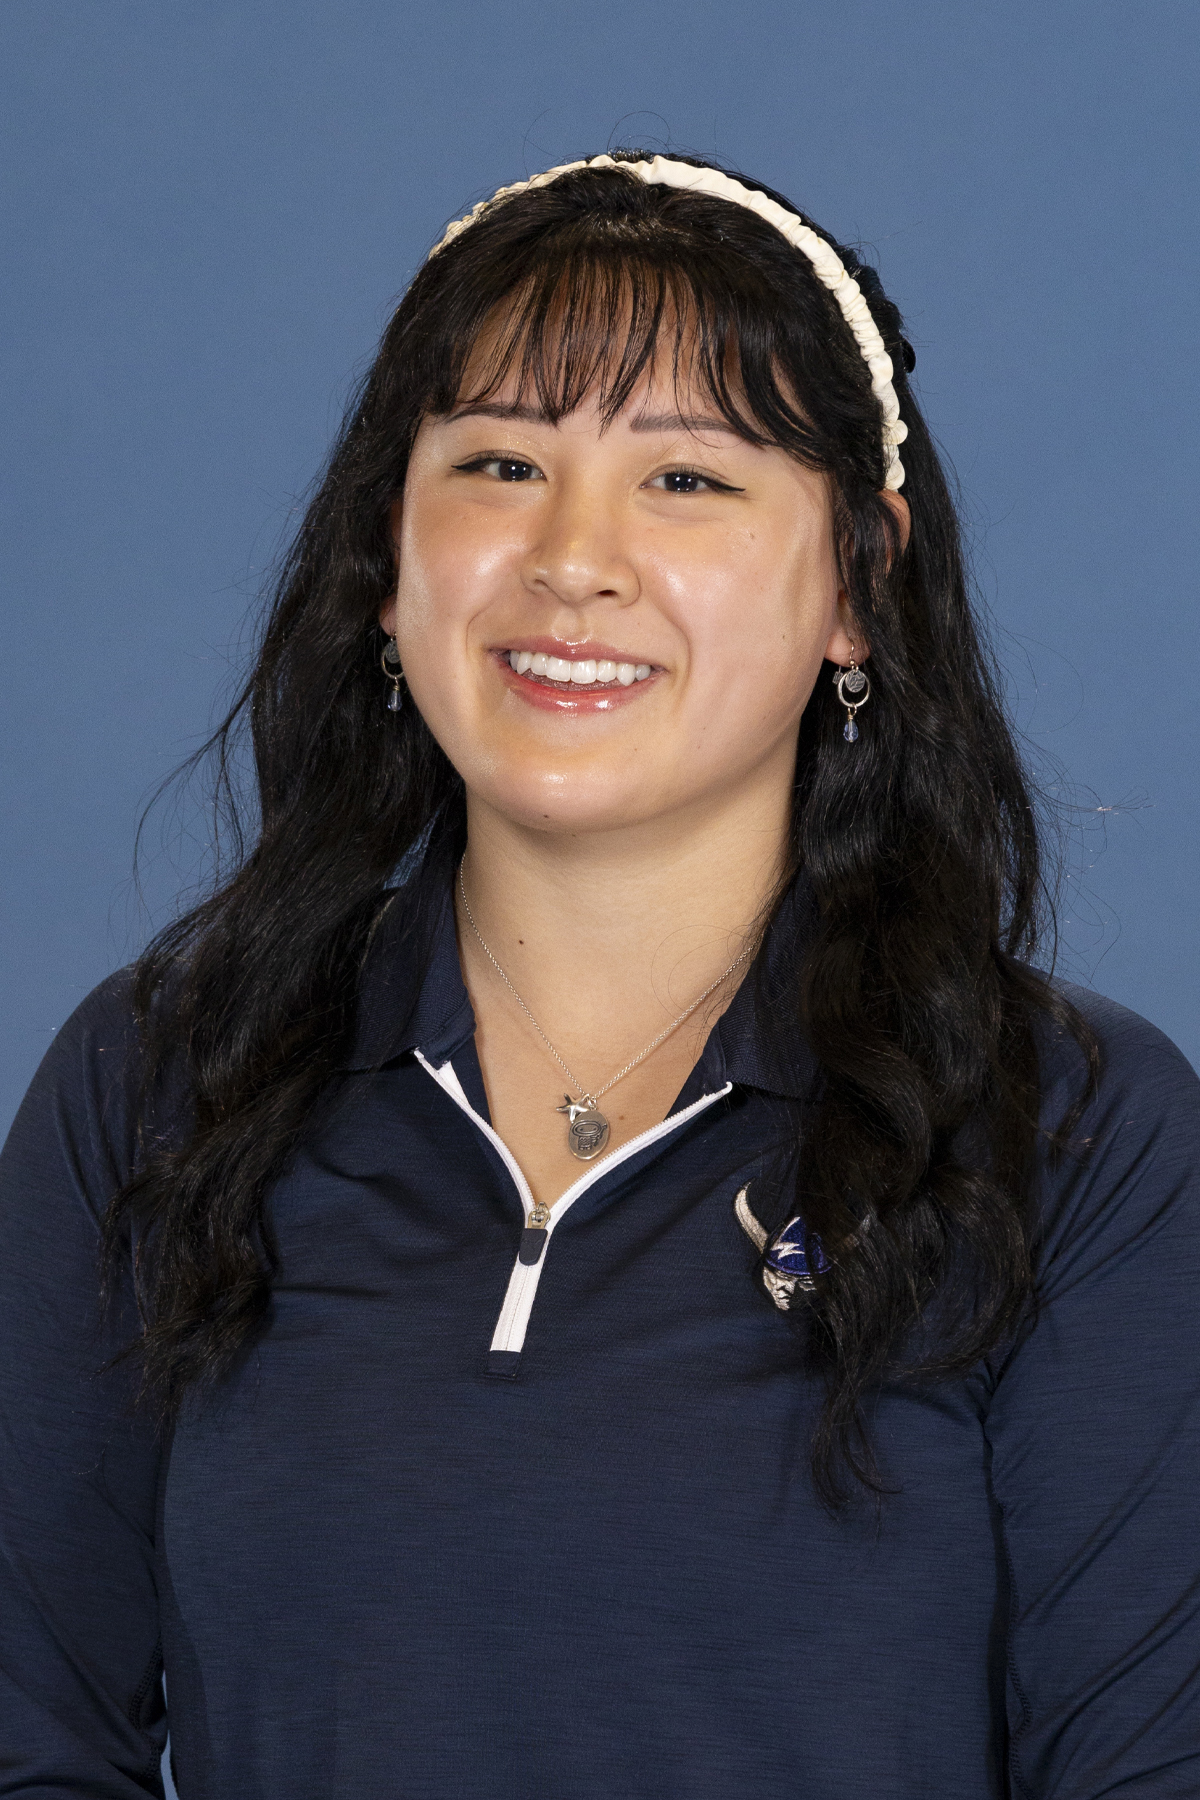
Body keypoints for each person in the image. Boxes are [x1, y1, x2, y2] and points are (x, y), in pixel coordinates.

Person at [1, 150, 1197, 1800]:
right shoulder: (162, 1078)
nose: (573, 557)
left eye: (686, 479)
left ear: (860, 580)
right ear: (388, 558)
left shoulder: (1071, 1130)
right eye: (500, 463)